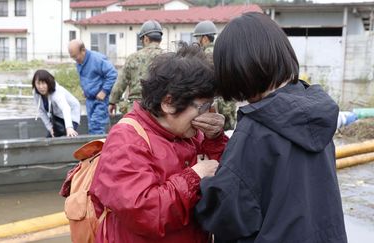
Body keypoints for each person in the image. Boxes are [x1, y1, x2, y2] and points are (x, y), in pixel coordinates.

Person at [195, 12, 347, 242]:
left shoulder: (256, 129)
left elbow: (227, 214)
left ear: (237, 69)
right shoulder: (316, 113)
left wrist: (202, 179)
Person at [88, 46, 229, 242]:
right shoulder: (126, 139)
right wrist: (194, 176)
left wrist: (215, 140)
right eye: (203, 106)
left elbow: (227, 181)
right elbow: (144, 213)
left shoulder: (190, 133)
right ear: (168, 102)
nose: (208, 113)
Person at [108, 20, 165, 115]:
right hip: (160, 108)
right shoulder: (169, 58)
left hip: (137, 108)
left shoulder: (133, 58)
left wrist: (112, 102)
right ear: (160, 39)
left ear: (146, 38)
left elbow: (120, 83)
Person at [193, 20, 237, 130]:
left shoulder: (202, 56)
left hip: (215, 103)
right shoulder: (223, 52)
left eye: (198, 38)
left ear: (205, 38)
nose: (197, 42)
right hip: (230, 100)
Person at [68, 39, 117, 134]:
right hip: (89, 100)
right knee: (91, 126)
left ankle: (98, 148)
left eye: (75, 56)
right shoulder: (79, 62)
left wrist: (104, 91)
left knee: (96, 126)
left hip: (100, 100)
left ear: (83, 50)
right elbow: (87, 77)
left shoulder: (97, 59)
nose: (75, 59)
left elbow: (113, 74)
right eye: (72, 57)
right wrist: (85, 90)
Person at [32, 69, 80, 137]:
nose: (41, 87)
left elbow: (65, 108)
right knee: (50, 138)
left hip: (71, 112)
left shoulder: (57, 92)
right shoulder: (35, 92)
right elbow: (41, 111)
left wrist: (69, 127)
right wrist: (50, 128)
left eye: (43, 83)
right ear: (34, 83)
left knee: (68, 136)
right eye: (38, 83)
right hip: (57, 115)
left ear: (48, 83)